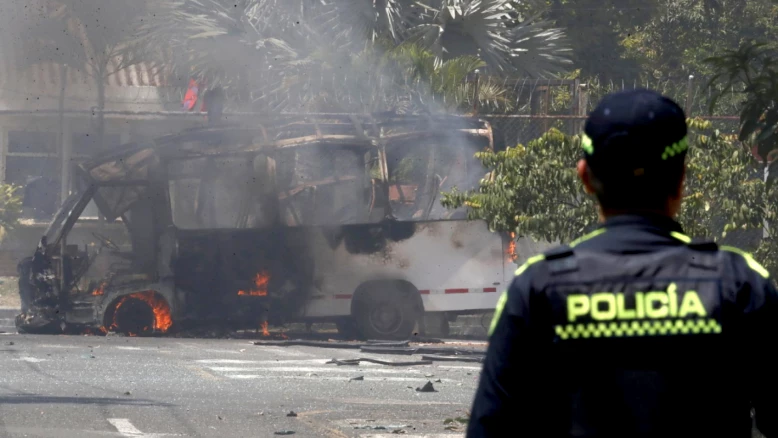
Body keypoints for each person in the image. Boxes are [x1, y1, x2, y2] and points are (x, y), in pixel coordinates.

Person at [466, 89, 778, 438]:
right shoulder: (740, 283)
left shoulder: (537, 287)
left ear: (585, 176)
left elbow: (490, 427)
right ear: (681, 177)